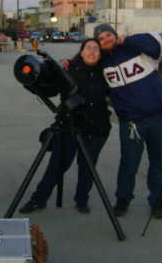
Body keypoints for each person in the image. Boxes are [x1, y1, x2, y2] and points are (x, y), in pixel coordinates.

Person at [19, 39, 111, 214]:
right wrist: (31, 82)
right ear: (81, 52)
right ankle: (38, 199)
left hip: (97, 129)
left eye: (96, 49)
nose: (92, 52)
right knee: (56, 167)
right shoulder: (68, 69)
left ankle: (82, 200)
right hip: (69, 127)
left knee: (87, 167)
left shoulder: (105, 72)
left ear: (100, 54)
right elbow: (50, 90)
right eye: (88, 48)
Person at [93, 24, 162, 219]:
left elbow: (155, 43)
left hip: (158, 117)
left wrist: (126, 40)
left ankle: (157, 202)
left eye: (108, 35)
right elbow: (85, 65)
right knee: (128, 163)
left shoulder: (135, 47)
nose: (106, 39)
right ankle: (122, 201)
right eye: (101, 38)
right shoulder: (102, 63)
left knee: (158, 161)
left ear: (115, 35)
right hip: (131, 122)